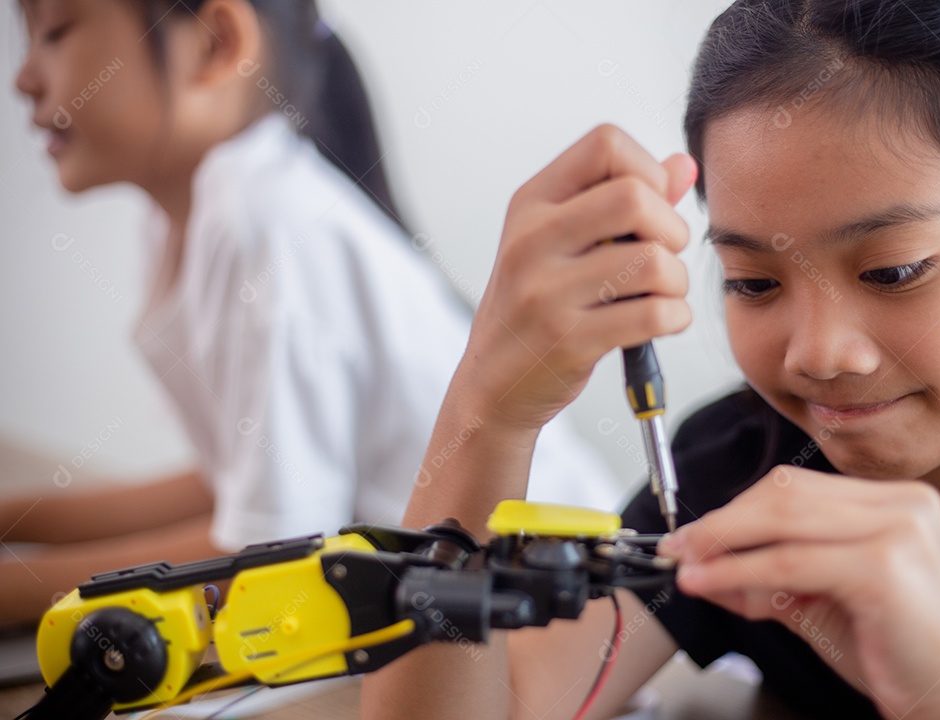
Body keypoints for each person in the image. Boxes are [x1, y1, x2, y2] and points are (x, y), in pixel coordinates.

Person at [360, 0, 940, 718]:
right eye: (754, 282)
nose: (819, 353)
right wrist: (489, 410)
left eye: (893, 271)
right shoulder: (739, 474)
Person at [0, 0, 617, 627]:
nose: (23, 78)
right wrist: (20, 519)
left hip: (559, 613)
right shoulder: (195, 220)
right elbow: (235, 487)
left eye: (54, 32)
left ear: (215, 42)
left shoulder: (268, 224)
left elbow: (274, 554)